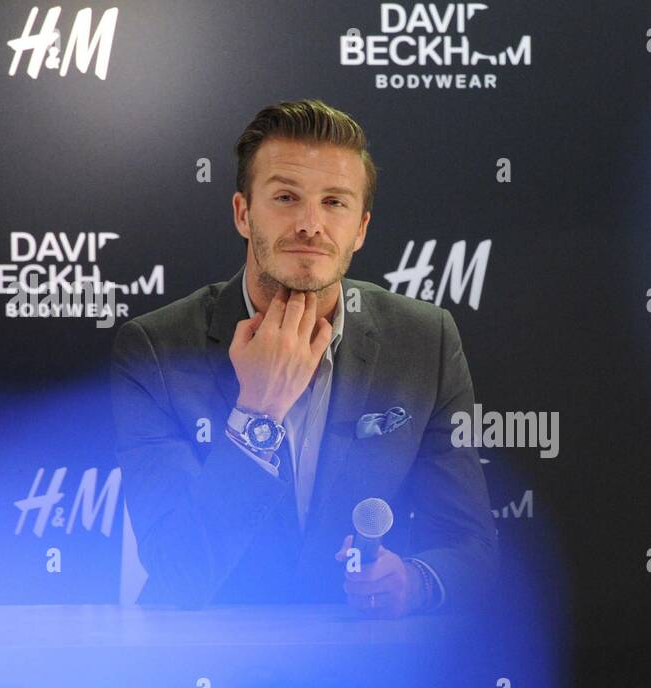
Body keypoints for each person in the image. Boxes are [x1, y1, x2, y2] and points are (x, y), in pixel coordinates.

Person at [108, 99, 497, 617]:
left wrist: (414, 582)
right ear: (243, 213)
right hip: (209, 652)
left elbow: (469, 546)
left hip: (362, 653)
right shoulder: (155, 348)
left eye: (334, 202)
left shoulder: (425, 339)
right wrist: (257, 413)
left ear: (360, 228)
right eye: (286, 197)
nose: (311, 224)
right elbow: (178, 573)